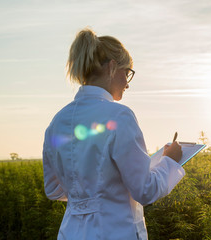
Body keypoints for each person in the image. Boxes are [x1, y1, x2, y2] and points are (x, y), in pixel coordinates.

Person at [42, 27, 185, 240]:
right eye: (127, 72)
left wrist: (89, 194)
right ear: (112, 67)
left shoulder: (57, 121)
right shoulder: (120, 116)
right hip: (114, 232)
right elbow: (145, 191)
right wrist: (170, 162)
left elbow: (53, 189)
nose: (127, 83)